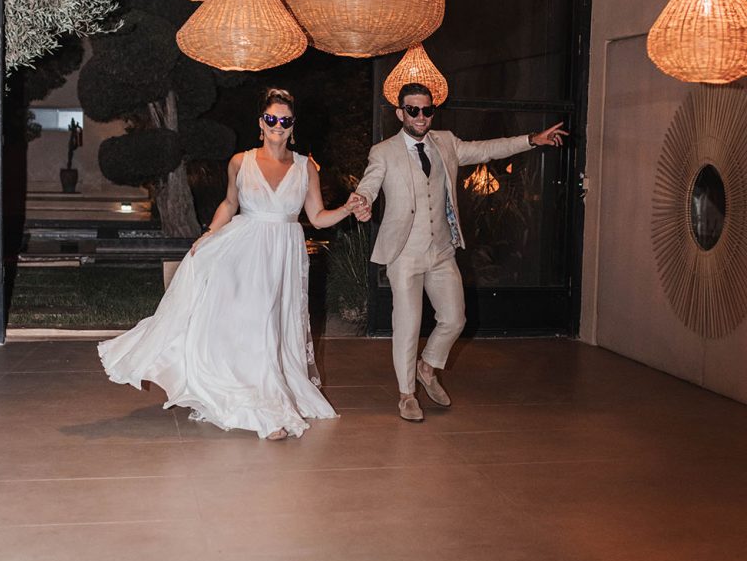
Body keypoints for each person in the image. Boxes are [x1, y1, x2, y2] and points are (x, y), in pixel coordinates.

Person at [99, 88, 357, 440]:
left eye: (285, 120)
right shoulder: (241, 161)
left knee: (272, 326)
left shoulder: (304, 167)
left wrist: (347, 209)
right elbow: (229, 203)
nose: (278, 126)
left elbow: (318, 216)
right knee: (255, 325)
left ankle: (264, 397)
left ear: (292, 126)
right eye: (271, 119)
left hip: (283, 254)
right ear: (260, 124)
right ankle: (266, 411)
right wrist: (208, 235)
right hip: (243, 251)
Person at [351, 83, 567, 422]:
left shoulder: (446, 143)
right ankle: (407, 394)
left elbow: (486, 150)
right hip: (404, 253)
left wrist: (530, 140)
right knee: (407, 326)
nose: (421, 117)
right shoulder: (384, 152)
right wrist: (362, 201)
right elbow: (369, 184)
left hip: (441, 250)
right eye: (413, 110)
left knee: (454, 318)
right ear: (400, 113)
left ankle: (428, 365)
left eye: (426, 110)